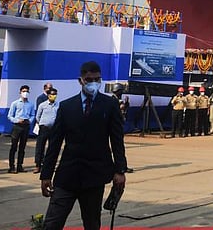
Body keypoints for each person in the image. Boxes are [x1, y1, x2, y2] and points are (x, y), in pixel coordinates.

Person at [40, 61, 127, 230]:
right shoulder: (66, 107)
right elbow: (55, 143)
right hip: (67, 174)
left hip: (95, 175)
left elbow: (117, 140)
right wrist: (46, 174)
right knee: (52, 223)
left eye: (97, 79)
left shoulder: (109, 105)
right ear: (80, 81)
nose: (93, 83)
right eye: (89, 80)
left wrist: (120, 170)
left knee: (92, 223)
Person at [7, 85, 36, 173]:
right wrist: (17, 120)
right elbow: (10, 115)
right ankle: (12, 166)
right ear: (20, 92)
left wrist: (29, 121)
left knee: (22, 147)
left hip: (26, 126)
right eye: (23, 91)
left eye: (26, 91)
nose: (25, 93)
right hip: (17, 126)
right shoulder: (15, 103)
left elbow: (32, 115)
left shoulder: (31, 104)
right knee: (14, 147)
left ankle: (20, 165)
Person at [34, 88, 59, 174]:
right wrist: (42, 124)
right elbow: (37, 117)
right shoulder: (42, 105)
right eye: (52, 94)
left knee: (52, 148)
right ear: (48, 95)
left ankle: (49, 165)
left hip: (54, 129)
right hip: (44, 128)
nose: (54, 96)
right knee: (40, 147)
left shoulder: (58, 105)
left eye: (55, 94)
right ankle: (38, 165)